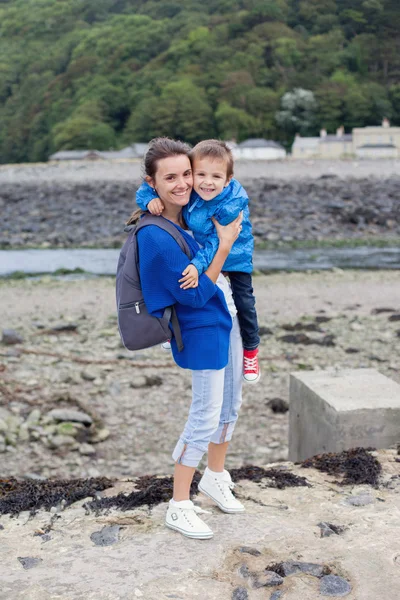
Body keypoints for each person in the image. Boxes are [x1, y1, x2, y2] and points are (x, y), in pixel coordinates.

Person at [127, 137, 244, 540]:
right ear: (152, 182)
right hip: (199, 328)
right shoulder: (155, 235)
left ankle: (214, 476)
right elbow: (193, 295)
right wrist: (225, 245)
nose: (182, 183)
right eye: (170, 177)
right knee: (205, 413)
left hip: (223, 317)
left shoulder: (189, 214)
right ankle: (178, 504)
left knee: (231, 404)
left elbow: (225, 184)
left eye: (186, 173)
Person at [136, 139, 260, 384]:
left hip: (235, 258)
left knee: (245, 303)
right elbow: (149, 186)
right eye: (199, 174)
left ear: (228, 179)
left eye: (215, 176)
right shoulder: (192, 189)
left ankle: (252, 349)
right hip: (207, 252)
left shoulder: (230, 203)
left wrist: (198, 264)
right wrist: (147, 200)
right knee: (173, 283)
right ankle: (168, 330)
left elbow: (218, 242)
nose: (206, 182)